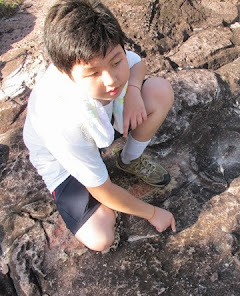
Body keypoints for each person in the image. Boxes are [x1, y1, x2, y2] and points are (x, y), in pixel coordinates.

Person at [23, 0, 176, 251]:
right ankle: (89, 176)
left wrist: (135, 92)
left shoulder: (102, 48)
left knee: (159, 90)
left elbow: (136, 63)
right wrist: (151, 213)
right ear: (66, 73)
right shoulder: (62, 119)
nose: (111, 80)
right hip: (63, 159)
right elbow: (104, 190)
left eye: (116, 62)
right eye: (93, 73)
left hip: (101, 121)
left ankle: (129, 160)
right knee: (100, 237)